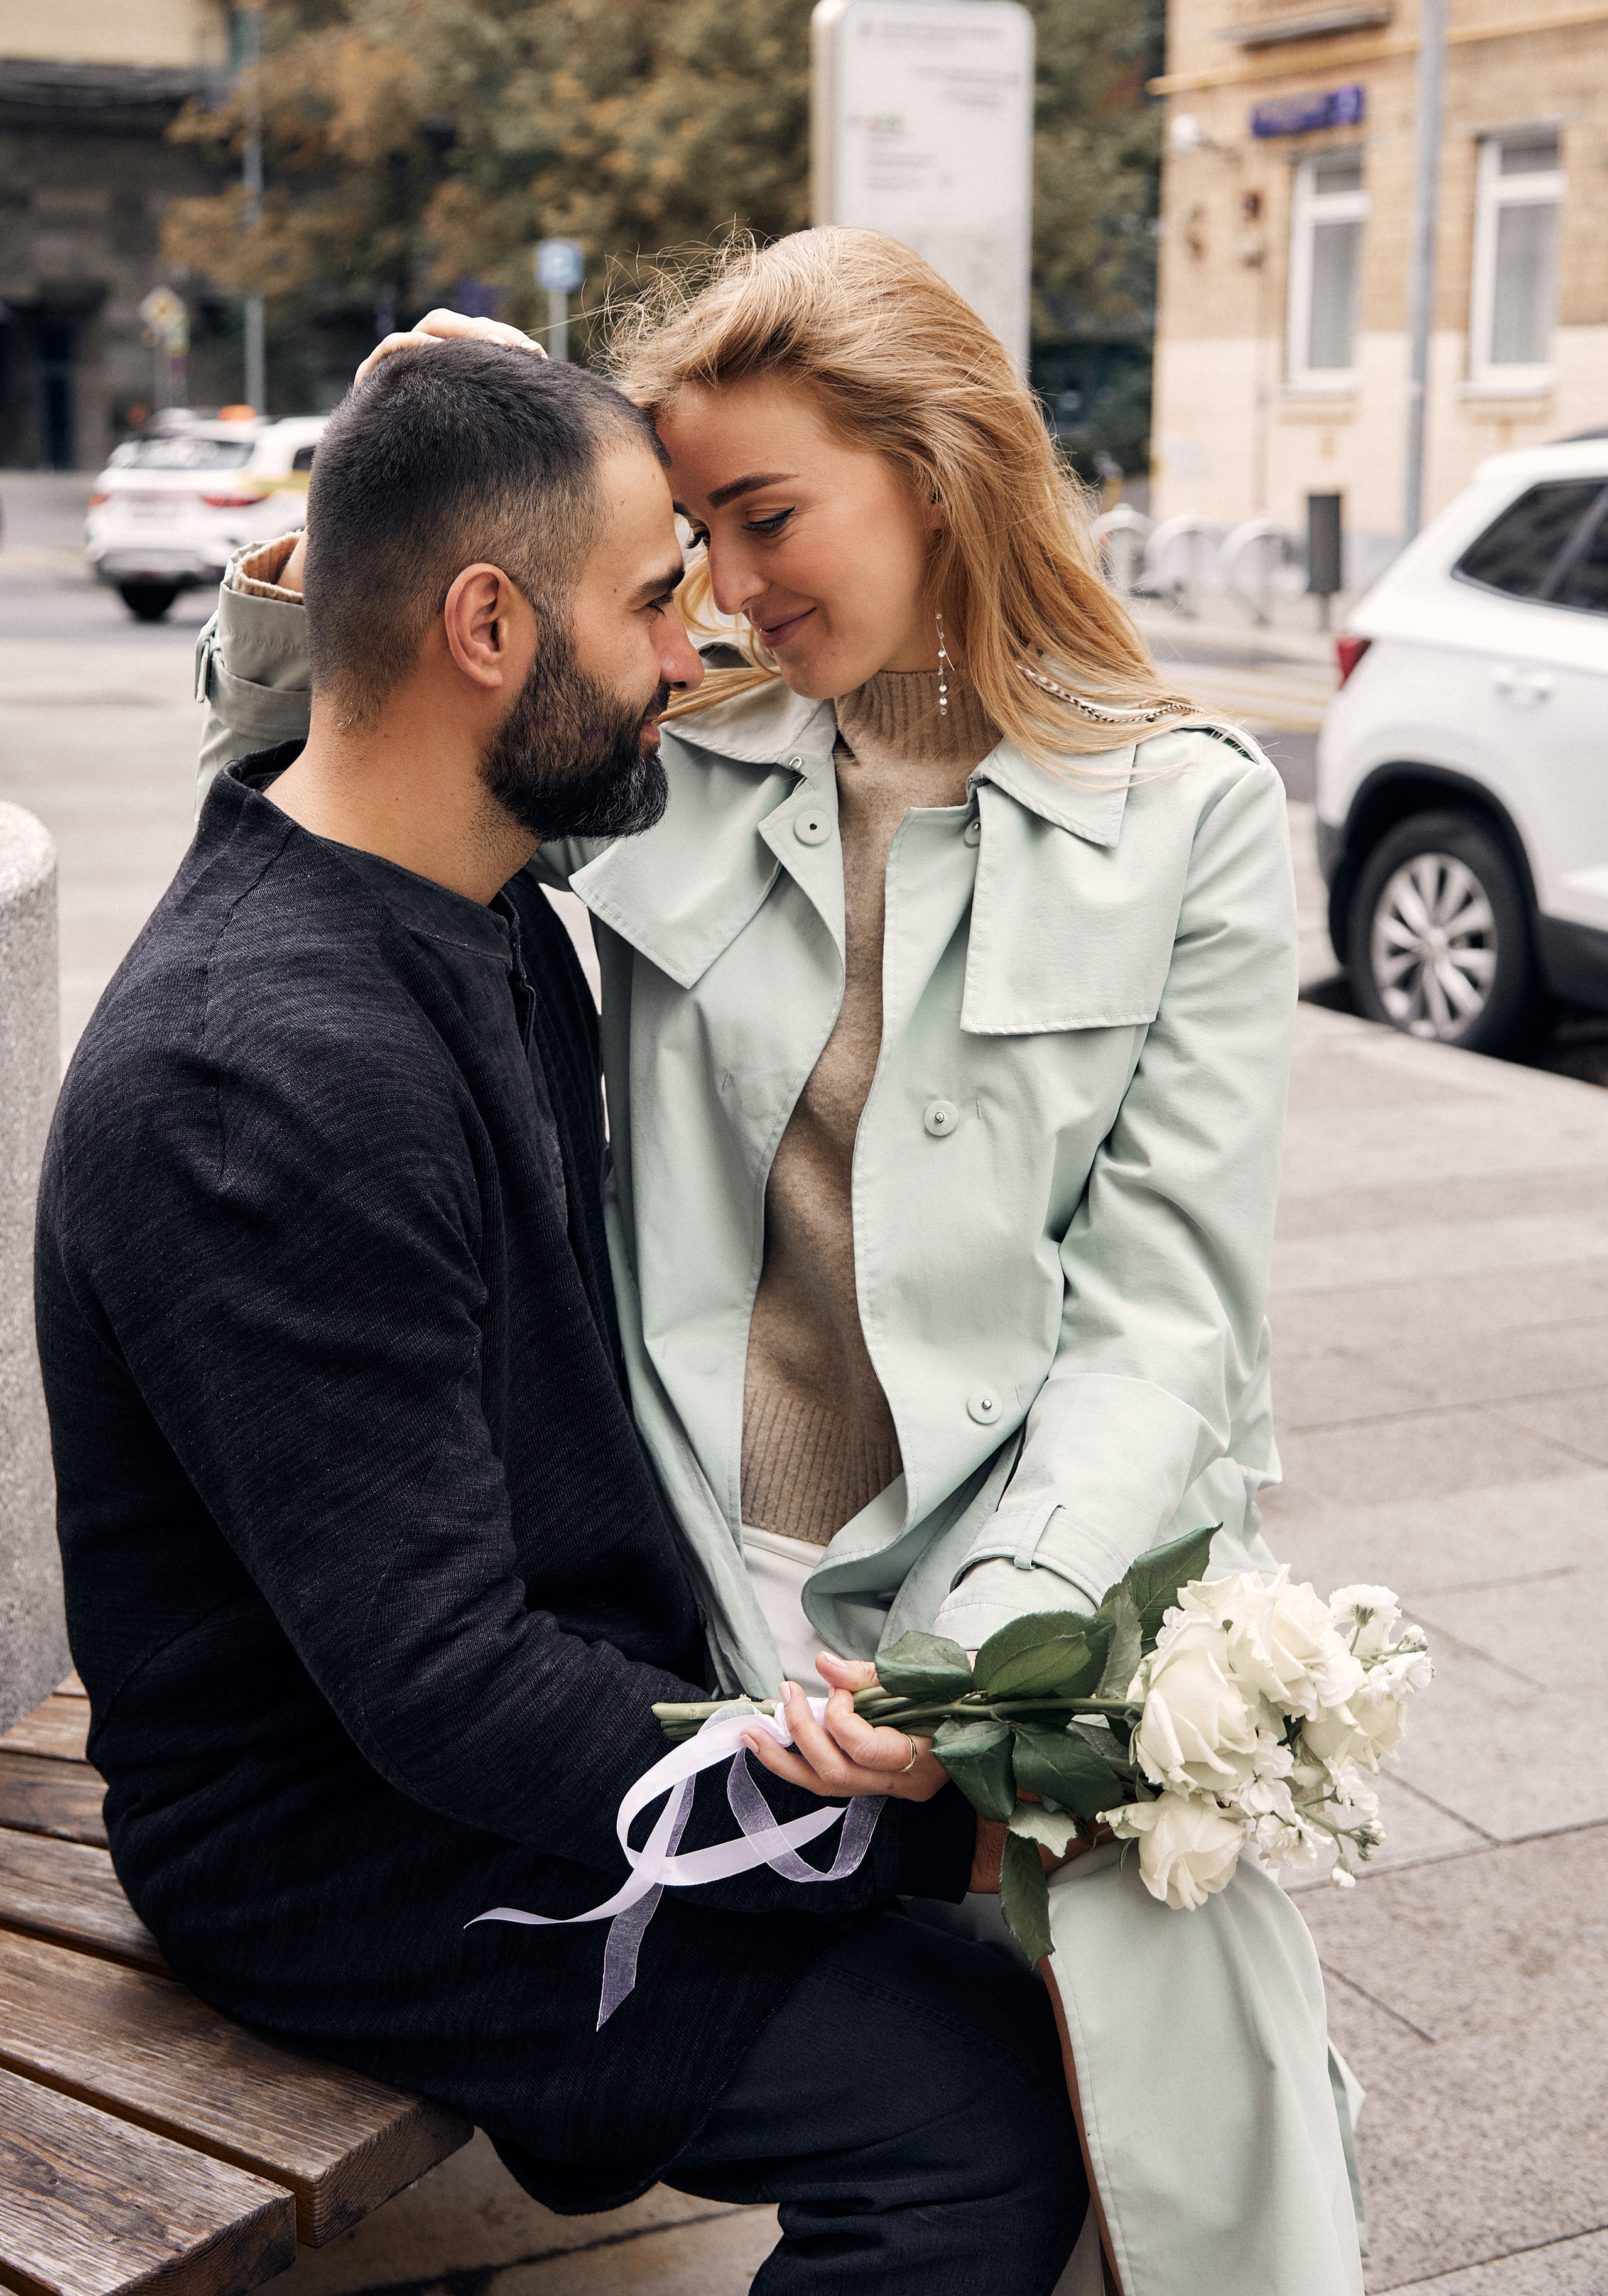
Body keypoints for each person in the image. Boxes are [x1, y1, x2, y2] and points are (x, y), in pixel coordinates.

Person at [192, 234, 1367, 2296]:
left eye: (764, 517)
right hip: (694, 1617)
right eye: (696, 536)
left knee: (1176, 2177)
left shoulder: (1187, 817)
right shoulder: (666, 744)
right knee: (957, 2132)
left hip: (1033, 1609)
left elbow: (1166, 1316)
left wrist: (980, 1664)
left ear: (933, 468)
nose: (726, 591)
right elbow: (349, 771)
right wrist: (382, 487)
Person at [36, 342, 1089, 2296]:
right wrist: (922, 1833)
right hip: (329, 1844)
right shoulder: (258, 1076)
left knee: (1069, 2015)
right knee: (976, 2115)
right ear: (488, 628)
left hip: (500, 1732)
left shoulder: (476, 898)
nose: (693, 656)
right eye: (652, 600)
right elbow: (442, 1689)